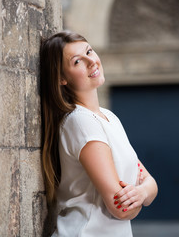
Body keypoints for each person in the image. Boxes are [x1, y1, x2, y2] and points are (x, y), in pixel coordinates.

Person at [40, 31, 158, 237]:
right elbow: (122, 209)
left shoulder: (109, 117)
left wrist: (140, 192)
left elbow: (150, 182)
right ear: (61, 78)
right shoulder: (81, 121)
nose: (91, 61)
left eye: (89, 51)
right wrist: (141, 197)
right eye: (77, 61)